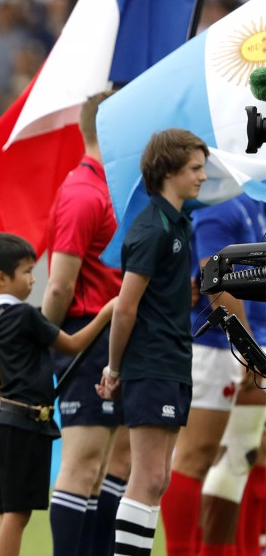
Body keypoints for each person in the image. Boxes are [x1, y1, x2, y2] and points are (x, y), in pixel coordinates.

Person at [97, 128, 209, 556]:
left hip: (174, 361)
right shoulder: (151, 227)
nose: (202, 176)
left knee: (159, 477)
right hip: (152, 364)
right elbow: (125, 308)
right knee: (146, 477)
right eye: (195, 168)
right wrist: (114, 369)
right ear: (168, 171)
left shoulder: (178, 222)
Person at [0, 232, 115, 556]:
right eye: (26, 271)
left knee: (9, 511)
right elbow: (73, 344)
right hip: (28, 425)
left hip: (7, 422)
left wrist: (8, 407)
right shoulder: (25, 315)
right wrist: (107, 312)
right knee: (17, 513)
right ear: (1, 278)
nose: (33, 279)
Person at [41, 91, 129, 556]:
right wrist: (45, 340)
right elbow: (60, 285)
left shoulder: (107, 187)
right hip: (85, 334)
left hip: (107, 335)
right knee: (81, 466)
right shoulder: (83, 192)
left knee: (100, 469)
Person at [166, 193, 266, 556]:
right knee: (198, 457)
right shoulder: (220, 206)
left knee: (240, 456)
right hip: (215, 345)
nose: (200, 176)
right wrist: (248, 345)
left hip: (243, 342)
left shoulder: (253, 202)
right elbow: (215, 279)